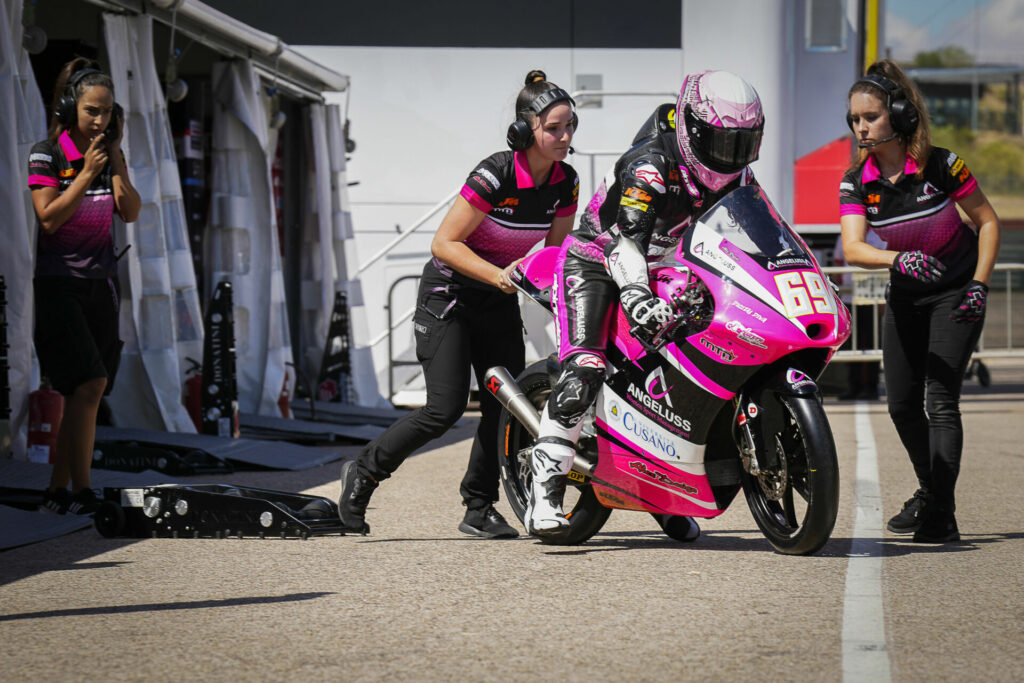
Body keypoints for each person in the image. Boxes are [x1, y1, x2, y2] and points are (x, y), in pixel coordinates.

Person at [338, 70, 580, 538]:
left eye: (570, 127)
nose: (565, 137)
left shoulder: (564, 182)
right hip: (447, 297)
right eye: (554, 128)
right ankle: (363, 474)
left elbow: (554, 254)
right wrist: (496, 274)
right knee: (444, 409)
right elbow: (443, 243)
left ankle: (479, 509)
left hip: (498, 298)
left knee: (503, 408)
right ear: (524, 130)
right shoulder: (495, 174)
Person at [526, 70, 765, 537]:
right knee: (586, 370)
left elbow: (758, 233)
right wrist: (635, 295)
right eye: (720, 141)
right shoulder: (650, 165)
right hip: (596, 260)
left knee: (675, 378)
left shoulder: (737, 175)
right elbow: (626, 244)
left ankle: (663, 497)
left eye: (741, 144)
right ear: (692, 130)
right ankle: (544, 495)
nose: (729, 155)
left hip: (662, 265)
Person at [839, 60, 1001, 543]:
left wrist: (979, 284)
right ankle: (931, 491)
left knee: (940, 402)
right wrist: (897, 261)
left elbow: (988, 222)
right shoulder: (856, 181)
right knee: (902, 406)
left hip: (956, 293)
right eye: (853, 119)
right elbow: (853, 247)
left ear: (900, 117)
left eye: (869, 117)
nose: (860, 127)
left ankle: (942, 514)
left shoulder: (941, 164)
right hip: (907, 296)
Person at [29, 58, 141, 514]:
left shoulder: (108, 154)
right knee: (89, 381)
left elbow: (131, 212)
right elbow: (49, 217)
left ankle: (59, 488)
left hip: (102, 282)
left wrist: (113, 161)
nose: (100, 120)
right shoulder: (47, 153)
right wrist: (87, 175)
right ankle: (81, 490)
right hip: (60, 284)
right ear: (72, 108)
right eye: (92, 110)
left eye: (108, 111)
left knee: (89, 391)